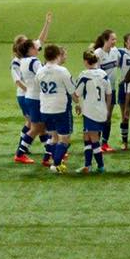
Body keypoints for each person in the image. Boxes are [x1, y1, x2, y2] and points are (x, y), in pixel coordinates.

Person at [11, 12, 52, 164]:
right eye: (33, 46)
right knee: (35, 127)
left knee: (40, 127)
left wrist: (47, 23)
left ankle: (49, 153)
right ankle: (21, 153)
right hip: (33, 97)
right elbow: (42, 76)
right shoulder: (31, 61)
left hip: (31, 95)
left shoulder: (24, 61)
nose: (37, 46)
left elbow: (41, 40)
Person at [36, 44, 77, 173]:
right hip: (60, 109)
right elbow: (72, 90)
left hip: (45, 109)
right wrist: (78, 103)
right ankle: (56, 164)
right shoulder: (62, 71)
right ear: (58, 55)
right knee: (64, 138)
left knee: (53, 137)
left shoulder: (40, 71)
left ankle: (55, 162)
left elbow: (38, 87)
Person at [74, 50, 112, 173]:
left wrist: (77, 103)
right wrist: (107, 109)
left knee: (93, 138)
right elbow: (109, 93)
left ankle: (101, 166)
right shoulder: (103, 74)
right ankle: (87, 165)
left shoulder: (84, 75)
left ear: (86, 61)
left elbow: (76, 94)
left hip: (90, 112)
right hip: (101, 110)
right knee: (86, 135)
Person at [91, 29, 120, 154]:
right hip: (100, 91)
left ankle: (105, 143)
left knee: (108, 116)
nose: (114, 41)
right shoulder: (97, 54)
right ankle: (96, 143)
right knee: (99, 116)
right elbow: (93, 72)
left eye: (115, 39)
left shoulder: (115, 52)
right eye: (112, 39)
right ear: (105, 40)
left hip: (112, 89)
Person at [116, 33, 130, 149]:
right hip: (124, 86)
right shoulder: (120, 52)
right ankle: (124, 142)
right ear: (126, 42)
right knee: (125, 115)